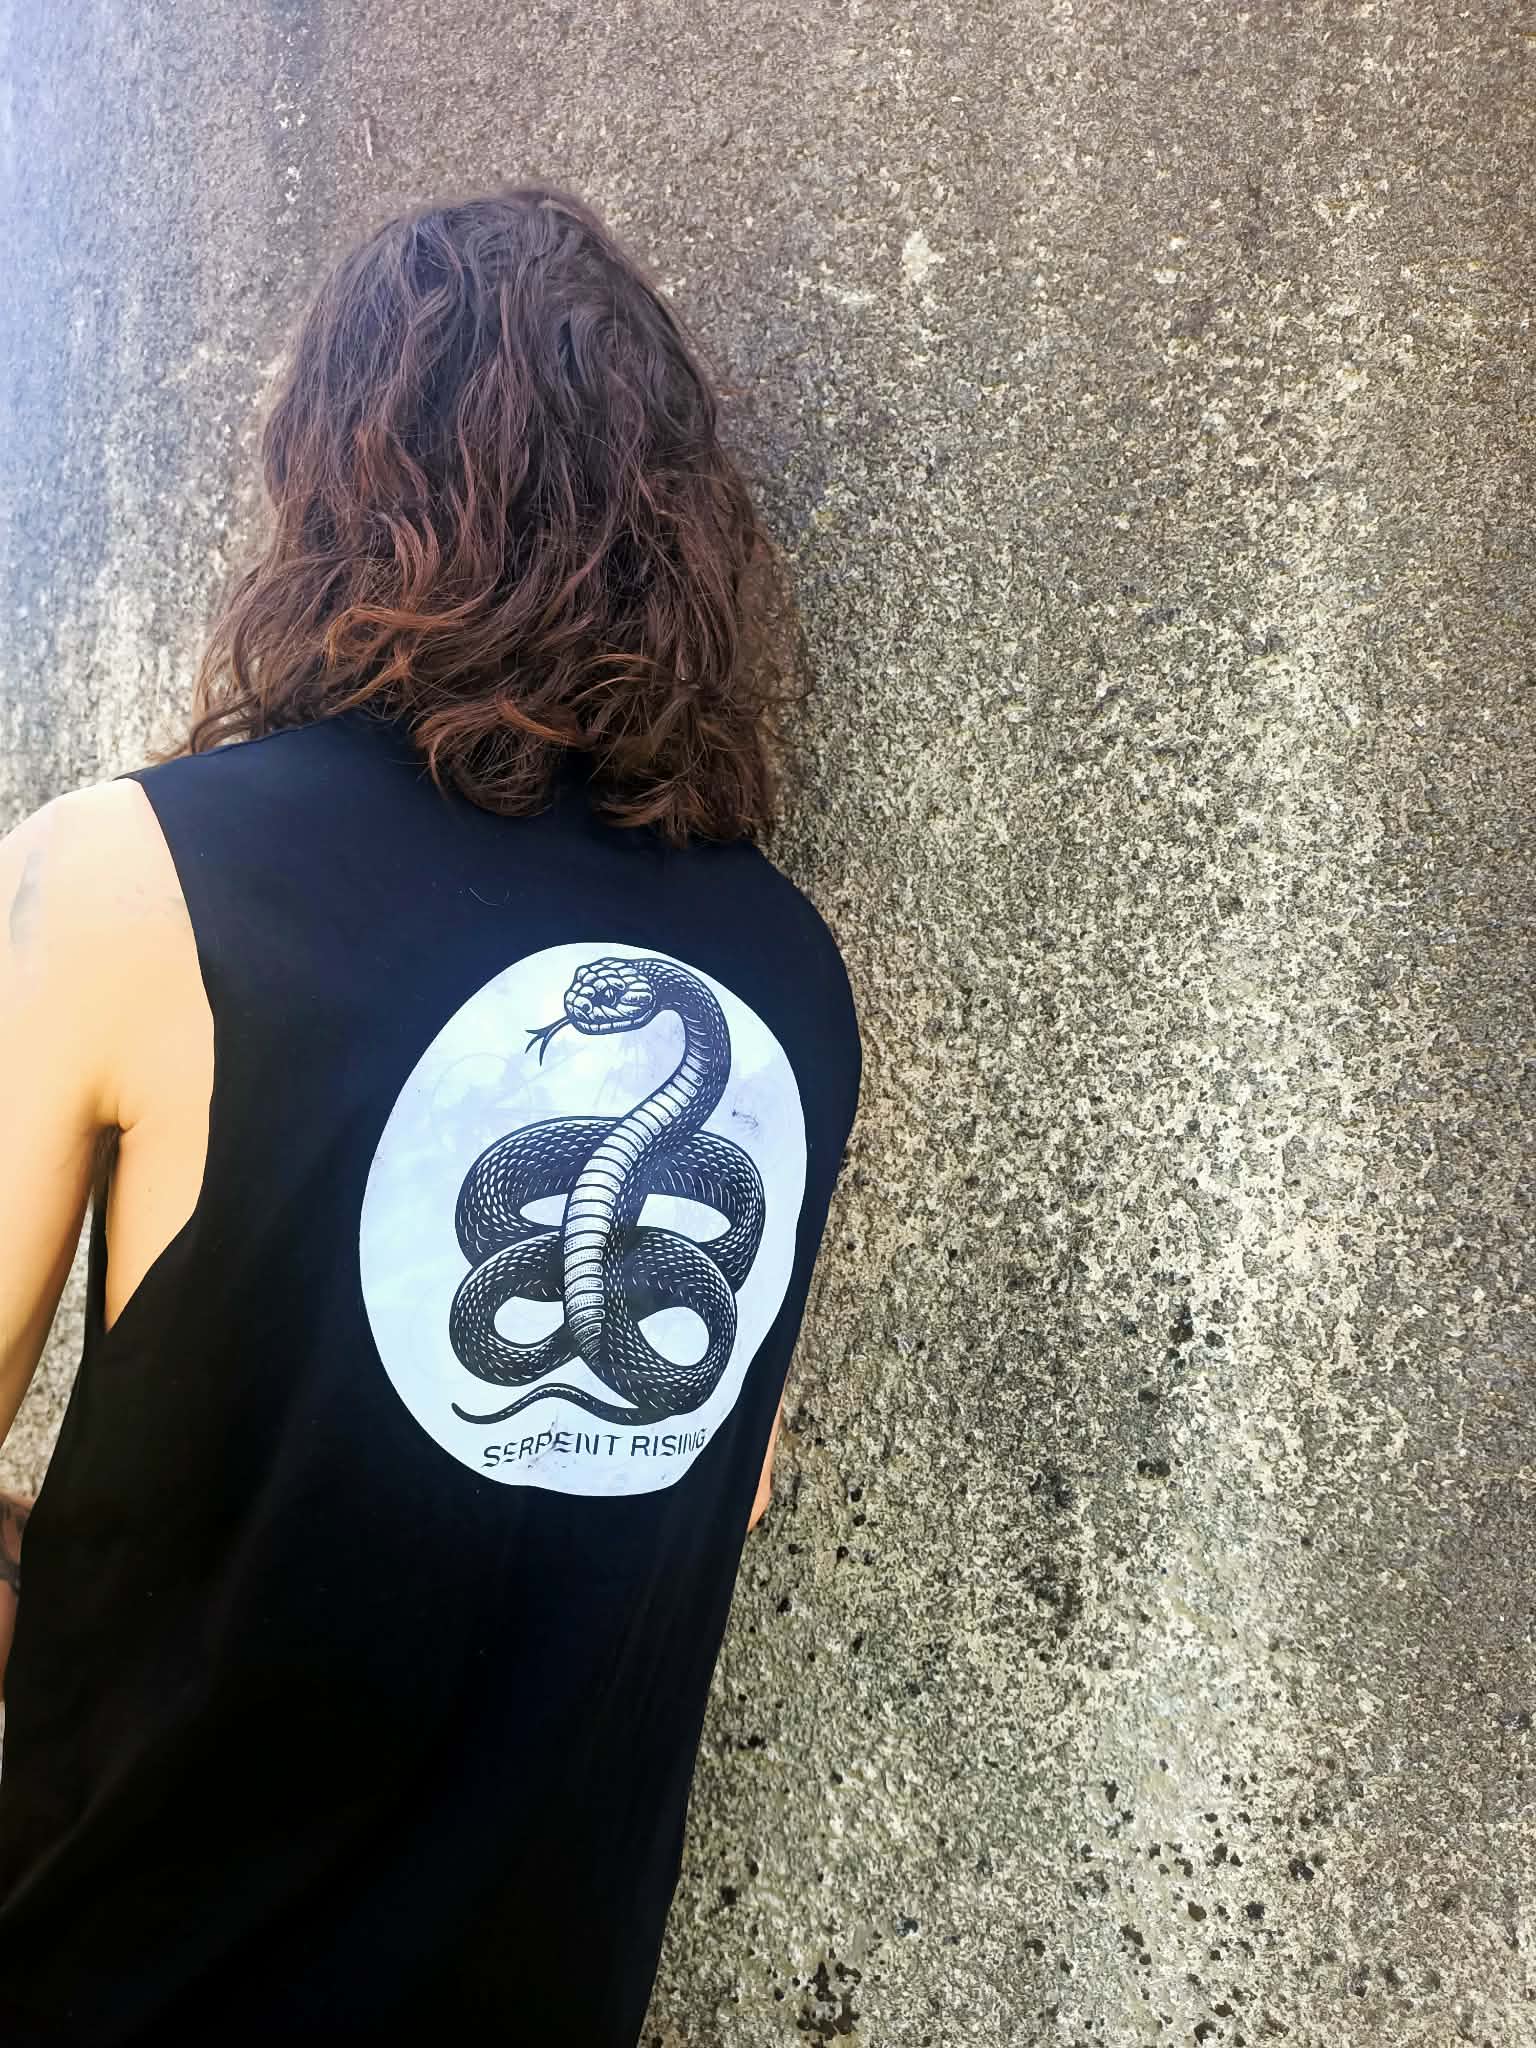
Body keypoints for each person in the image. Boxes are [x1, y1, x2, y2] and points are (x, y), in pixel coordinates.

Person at [0, 183, 862, 2045]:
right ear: (678, 529)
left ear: (337, 483)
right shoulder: (789, 982)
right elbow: (686, 1483)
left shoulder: (127, 879)